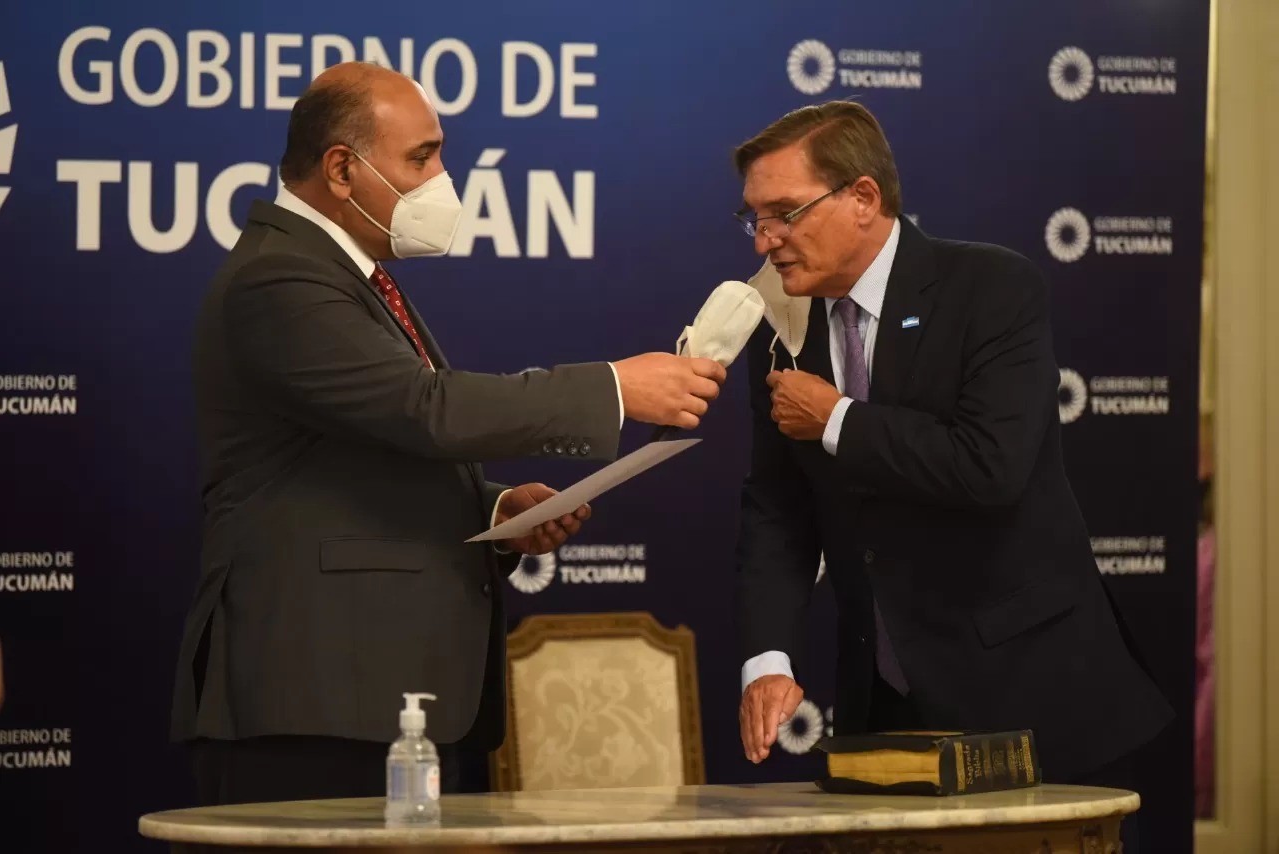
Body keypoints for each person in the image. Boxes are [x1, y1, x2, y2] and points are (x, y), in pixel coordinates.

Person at [171, 62, 726, 806]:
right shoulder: (279, 279)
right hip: (316, 701)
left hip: (385, 697)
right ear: (342, 169)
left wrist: (494, 512)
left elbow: (359, 451)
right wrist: (616, 387)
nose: (443, 180)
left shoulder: (342, 276)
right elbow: (423, 409)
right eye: (422, 157)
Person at [731, 101, 1171, 852]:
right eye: (754, 219)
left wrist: (838, 419)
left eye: (784, 214)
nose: (766, 241)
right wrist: (767, 659)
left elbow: (989, 467)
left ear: (862, 199)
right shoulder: (777, 329)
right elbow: (778, 508)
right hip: (886, 707)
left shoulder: (993, 290)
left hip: (1028, 698)